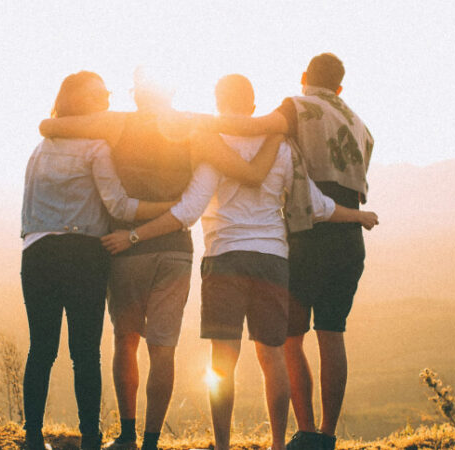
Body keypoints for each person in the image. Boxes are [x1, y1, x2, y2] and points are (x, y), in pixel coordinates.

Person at [101, 74, 378, 450]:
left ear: (218, 103)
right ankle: (277, 444)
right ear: (253, 105)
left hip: (224, 258)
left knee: (222, 361)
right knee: (273, 356)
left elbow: (188, 211)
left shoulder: (214, 146)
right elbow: (314, 205)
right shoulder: (282, 146)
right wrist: (357, 215)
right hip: (272, 260)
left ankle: (222, 445)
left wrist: (135, 235)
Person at [38, 70, 282, 450]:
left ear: (137, 95)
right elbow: (248, 169)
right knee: (163, 349)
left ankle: (127, 436)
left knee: (125, 341)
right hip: (174, 251)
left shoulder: (116, 123)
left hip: (126, 248)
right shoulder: (194, 128)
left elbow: (49, 126)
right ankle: (151, 441)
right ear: (171, 91)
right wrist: (277, 127)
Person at [209, 53, 375, 450]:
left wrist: (196, 124)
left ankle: (305, 431)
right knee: (332, 334)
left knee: (290, 338)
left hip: (306, 234)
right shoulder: (359, 124)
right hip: (348, 235)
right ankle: (327, 436)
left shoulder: (296, 107)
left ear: (304, 77)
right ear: (339, 87)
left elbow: (252, 127)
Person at [20, 71, 176, 450]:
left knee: (41, 349)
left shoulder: (40, 149)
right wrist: (170, 208)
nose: (107, 98)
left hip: (37, 253)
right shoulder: (96, 147)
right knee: (85, 353)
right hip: (83, 254)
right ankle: (90, 438)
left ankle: (33, 438)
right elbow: (119, 206)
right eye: (98, 94)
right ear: (80, 101)